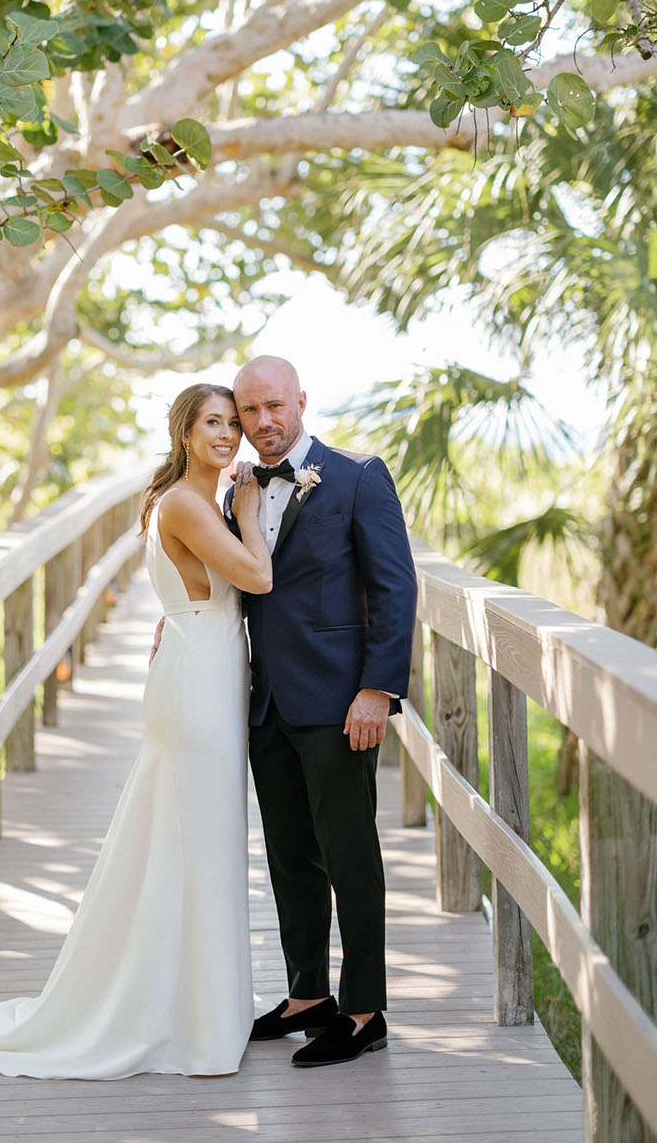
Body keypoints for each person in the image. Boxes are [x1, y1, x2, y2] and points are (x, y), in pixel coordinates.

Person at [0, 383, 271, 1078]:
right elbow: (256, 575)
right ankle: (193, 1025)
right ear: (185, 434)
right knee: (202, 842)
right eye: (212, 423)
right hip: (198, 686)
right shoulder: (193, 503)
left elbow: (198, 589)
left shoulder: (190, 498)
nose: (228, 434)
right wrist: (249, 510)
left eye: (233, 422)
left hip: (202, 668)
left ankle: (202, 1009)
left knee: (196, 844)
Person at [227, 355, 417, 1069]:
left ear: (301, 401)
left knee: (349, 855)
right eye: (250, 411)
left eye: (275, 406)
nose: (264, 422)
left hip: (341, 702)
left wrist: (378, 688)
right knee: (289, 857)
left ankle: (365, 1010)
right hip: (267, 702)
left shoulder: (357, 476)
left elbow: (395, 589)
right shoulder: (238, 489)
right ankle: (308, 994)